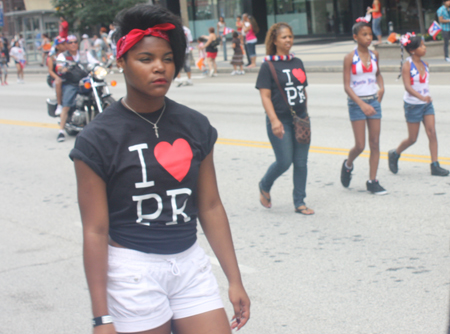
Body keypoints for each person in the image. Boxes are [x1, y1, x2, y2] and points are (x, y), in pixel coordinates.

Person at [69, 4, 250, 334]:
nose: (160, 68)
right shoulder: (97, 139)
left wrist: (234, 279)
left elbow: (209, 206)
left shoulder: (195, 125)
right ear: (121, 62)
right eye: (146, 59)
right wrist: (101, 318)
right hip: (134, 273)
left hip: (190, 265)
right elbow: (95, 230)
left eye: (167, 59)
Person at [256, 23, 314, 215]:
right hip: (280, 120)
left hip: (300, 119)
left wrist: (304, 114)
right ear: (275, 40)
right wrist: (274, 120)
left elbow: (302, 88)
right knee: (284, 161)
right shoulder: (268, 66)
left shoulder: (297, 62)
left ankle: (299, 202)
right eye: (284, 37)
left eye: (290, 36)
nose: (288, 40)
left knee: (301, 162)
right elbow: (265, 96)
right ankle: (264, 184)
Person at [388, 34, 449, 177]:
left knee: (432, 132)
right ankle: (395, 153)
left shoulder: (426, 64)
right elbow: (408, 87)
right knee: (412, 138)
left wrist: (425, 98)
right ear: (413, 50)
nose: (424, 47)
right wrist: (421, 97)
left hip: (427, 104)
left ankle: (435, 165)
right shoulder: (407, 65)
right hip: (413, 105)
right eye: (421, 45)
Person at [341, 18, 386, 195]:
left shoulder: (375, 55)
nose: (369, 38)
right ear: (355, 37)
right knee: (360, 145)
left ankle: (372, 181)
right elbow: (346, 86)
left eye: (370, 34)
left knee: (374, 143)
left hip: (373, 101)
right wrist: (361, 104)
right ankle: (348, 164)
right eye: (364, 34)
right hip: (356, 103)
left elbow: (378, 74)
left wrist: (382, 88)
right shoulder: (349, 57)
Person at [56, 35, 98, 142]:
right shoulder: (63, 56)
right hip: (72, 83)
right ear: (67, 44)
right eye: (70, 42)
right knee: (66, 106)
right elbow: (59, 66)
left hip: (85, 81)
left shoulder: (84, 54)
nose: (73, 44)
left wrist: (99, 65)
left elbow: (94, 62)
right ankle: (61, 131)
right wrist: (63, 68)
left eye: (75, 42)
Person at [47, 37, 66, 115]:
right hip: (57, 77)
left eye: (65, 43)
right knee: (59, 82)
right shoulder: (53, 57)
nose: (65, 45)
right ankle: (59, 105)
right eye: (62, 44)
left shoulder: (69, 54)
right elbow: (50, 71)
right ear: (57, 46)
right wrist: (57, 77)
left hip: (68, 76)